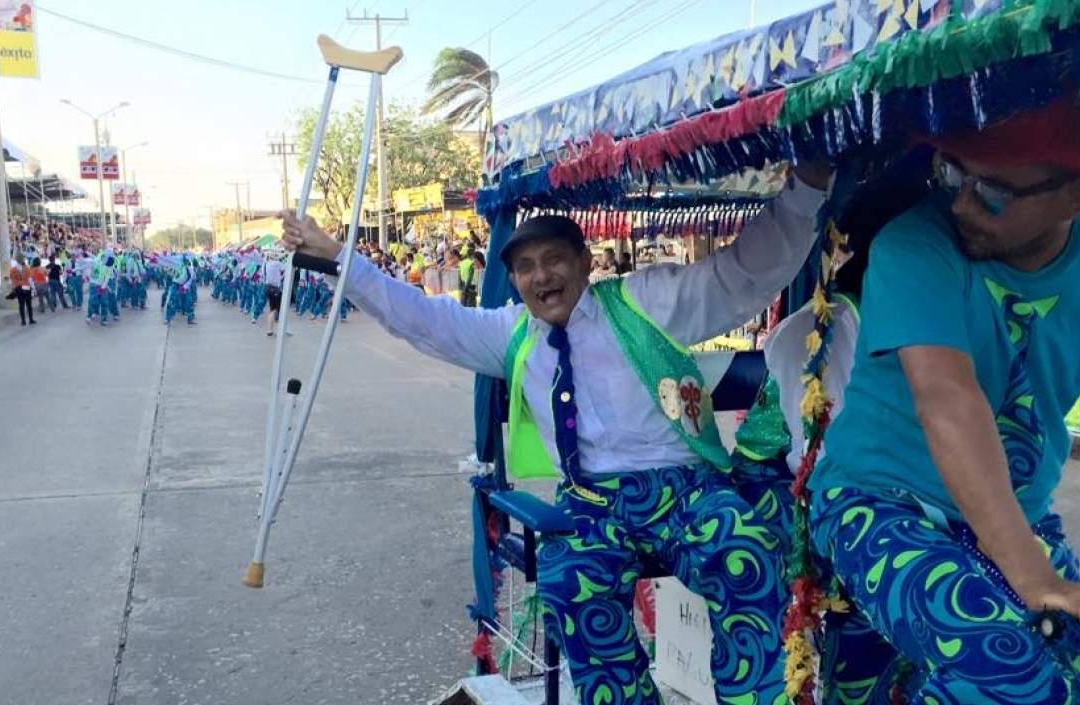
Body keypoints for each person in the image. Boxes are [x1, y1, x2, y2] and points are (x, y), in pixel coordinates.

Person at [281, 161, 831, 705]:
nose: (541, 276)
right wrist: (338, 258)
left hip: (684, 490)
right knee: (570, 582)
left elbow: (739, 275)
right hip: (589, 501)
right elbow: (419, 318)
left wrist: (806, 187)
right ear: (515, 280)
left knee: (745, 549)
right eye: (525, 267)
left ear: (584, 263)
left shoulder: (645, 303)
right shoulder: (508, 334)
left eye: (553, 260)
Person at [808, 88, 1080, 704]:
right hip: (877, 502)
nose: (964, 203)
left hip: (1019, 514)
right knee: (1009, 670)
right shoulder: (915, 245)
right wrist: (1035, 580)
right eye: (954, 174)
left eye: (995, 191)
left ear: (1076, 194)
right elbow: (947, 400)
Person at [263, 252, 284, 337]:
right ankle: (278, 330)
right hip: (275, 289)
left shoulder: (265, 264)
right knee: (276, 310)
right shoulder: (277, 263)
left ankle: (270, 329)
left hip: (267, 287)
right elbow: (285, 270)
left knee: (272, 309)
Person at [9, 258, 35, 326]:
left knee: (21, 305)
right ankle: (31, 319)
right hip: (26, 287)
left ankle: (23, 321)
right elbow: (30, 280)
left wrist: (13, 288)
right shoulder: (26, 269)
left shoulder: (12, 270)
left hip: (18, 287)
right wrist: (33, 288)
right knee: (29, 304)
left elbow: (12, 281)